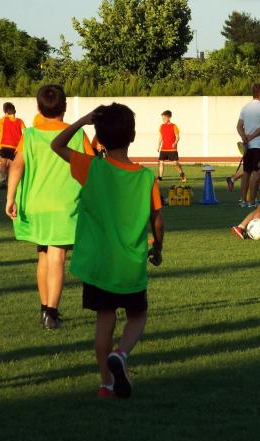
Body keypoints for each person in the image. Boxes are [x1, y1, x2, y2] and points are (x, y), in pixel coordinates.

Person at [51, 103, 164, 400]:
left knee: (105, 320)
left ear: (98, 138)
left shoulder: (91, 167)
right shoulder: (146, 177)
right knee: (137, 315)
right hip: (130, 264)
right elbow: (157, 219)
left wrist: (82, 121)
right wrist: (159, 247)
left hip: (99, 265)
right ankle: (122, 354)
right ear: (134, 136)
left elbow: (56, 144)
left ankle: (106, 384)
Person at [6, 85, 94, 329]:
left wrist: (10, 198)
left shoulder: (30, 135)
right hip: (64, 205)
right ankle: (52, 314)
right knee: (57, 256)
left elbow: (16, 166)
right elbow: (92, 167)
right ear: (64, 107)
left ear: (38, 107)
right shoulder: (76, 135)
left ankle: (45, 307)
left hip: (35, 204)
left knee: (43, 255)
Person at [237, 83, 260, 207]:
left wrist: (244, 137)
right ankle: (252, 201)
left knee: (246, 172)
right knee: (257, 173)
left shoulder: (245, 108)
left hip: (248, 147)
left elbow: (239, 126)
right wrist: (251, 137)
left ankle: (243, 200)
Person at [0, 102, 26, 189]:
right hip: (14, 147)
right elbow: (25, 132)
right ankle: (8, 181)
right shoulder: (20, 121)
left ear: (6, 113)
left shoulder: (4, 119)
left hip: (4, 145)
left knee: (3, 165)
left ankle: (1, 180)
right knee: (10, 166)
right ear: (15, 111)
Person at [156, 110, 186, 183]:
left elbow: (177, 137)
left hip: (172, 149)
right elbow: (160, 137)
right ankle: (160, 177)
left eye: (164, 118)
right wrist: (158, 146)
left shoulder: (174, 126)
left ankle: (182, 174)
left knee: (175, 163)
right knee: (161, 162)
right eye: (162, 118)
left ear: (169, 118)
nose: (163, 120)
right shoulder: (161, 126)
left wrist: (175, 143)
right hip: (164, 148)